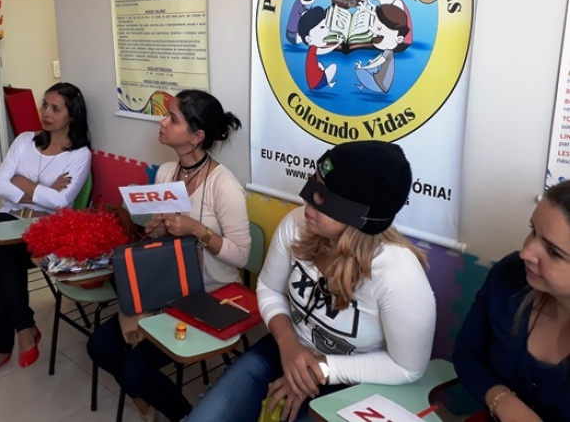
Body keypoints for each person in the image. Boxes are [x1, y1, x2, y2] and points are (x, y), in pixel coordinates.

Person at [186, 140, 436, 422]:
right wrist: (289, 346)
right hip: (284, 348)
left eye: (323, 196)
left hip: (354, 380)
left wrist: (319, 370)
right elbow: (269, 288)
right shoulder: (297, 224)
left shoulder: (399, 275)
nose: (306, 200)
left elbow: (407, 367)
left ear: (358, 214)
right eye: (312, 183)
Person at [87, 89, 251, 422]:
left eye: (172, 118)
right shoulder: (165, 173)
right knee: (99, 347)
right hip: (166, 290)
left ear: (196, 137)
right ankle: (143, 394)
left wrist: (196, 229)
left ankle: (185, 415)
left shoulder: (224, 186)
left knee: (134, 369)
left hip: (210, 297)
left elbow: (242, 256)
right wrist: (157, 231)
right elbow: (164, 241)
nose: (161, 122)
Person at [0, 82, 92, 379]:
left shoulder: (79, 154)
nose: (46, 113)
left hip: (45, 227)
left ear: (72, 115)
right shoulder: (24, 140)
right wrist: (44, 190)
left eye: (56, 108)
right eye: (45, 105)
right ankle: (24, 327)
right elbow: (0, 186)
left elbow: (61, 202)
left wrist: (23, 183)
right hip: (8, 217)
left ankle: (1, 346)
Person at [452, 181, 570, 422]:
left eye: (554, 252)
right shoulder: (511, 274)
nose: (526, 252)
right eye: (533, 230)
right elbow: (466, 353)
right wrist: (502, 400)